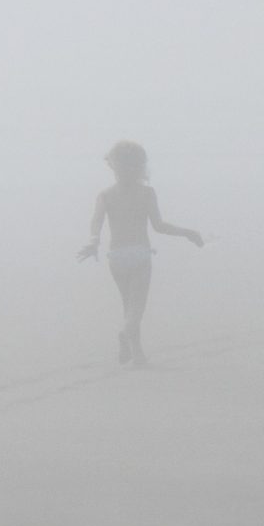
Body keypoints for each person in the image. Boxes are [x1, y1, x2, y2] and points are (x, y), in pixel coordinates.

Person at [77, 141, 203, 365]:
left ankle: (138, 356)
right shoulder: (146, 193)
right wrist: (188, 232)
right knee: (136, 309)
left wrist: (94, 241)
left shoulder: (105, 195)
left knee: (128, 305)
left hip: (116, 256)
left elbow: (96, 221)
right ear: (139, 166)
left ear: (113, 165)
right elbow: (159, 226)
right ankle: (126, 336)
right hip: (139, 255)